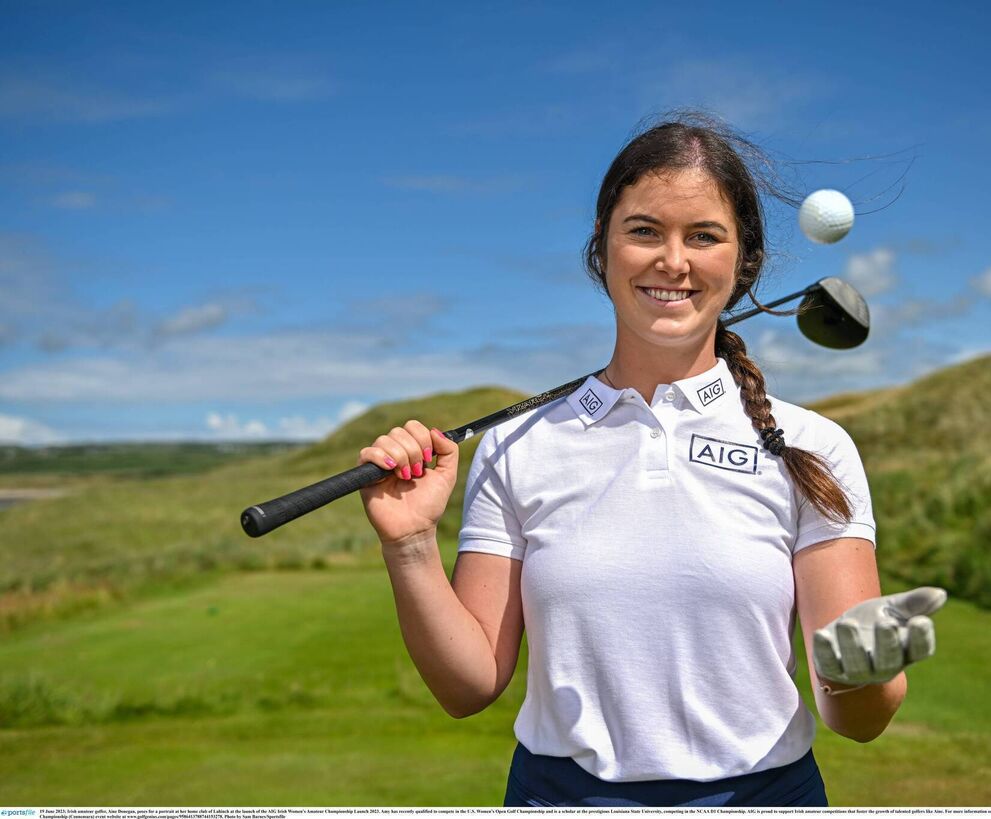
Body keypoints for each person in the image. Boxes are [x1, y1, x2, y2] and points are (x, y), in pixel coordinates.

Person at [357, 116, 946, 807]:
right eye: (644, 231)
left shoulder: (814, 446)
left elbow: (856, 718)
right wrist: (412, 543)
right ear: (601, 252)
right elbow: (467, 686)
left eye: (704, 235)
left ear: (743, 261)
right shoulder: (519, 446)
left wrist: (864, 674)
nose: (674, 260)